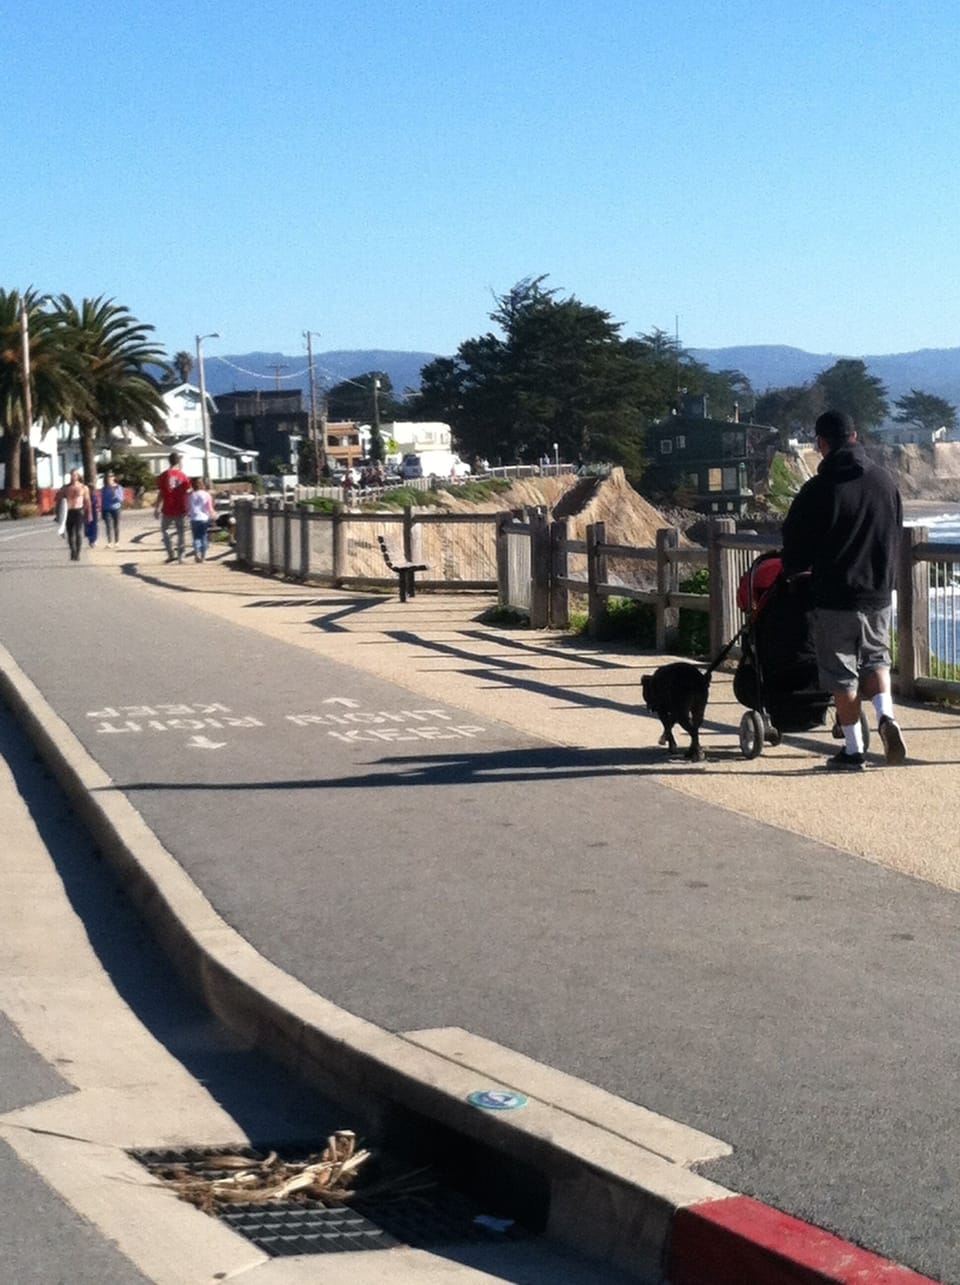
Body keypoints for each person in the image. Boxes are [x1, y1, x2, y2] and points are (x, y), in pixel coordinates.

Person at [781, 409, 906, 770]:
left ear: (822, 444)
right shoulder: (884, 482)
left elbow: (795, 543)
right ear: (855, 437)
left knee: (841, 675)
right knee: (877, 660)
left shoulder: (818, 490)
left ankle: (853, 750)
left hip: (835, 596)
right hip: (878, 593)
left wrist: (795, 573)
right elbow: (895, 532)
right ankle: (886, 716)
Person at [154, 450, 190, 563]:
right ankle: (181, 556)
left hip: (168, 508)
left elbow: (161, 493)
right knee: (181, 532)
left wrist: (157, 507)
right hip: (181, 507)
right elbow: (188, 491)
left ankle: (170, 553)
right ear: (178, 461)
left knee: (165, 530)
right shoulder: (183, 475)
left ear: (169, 461)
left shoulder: (164, 475)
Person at [61, 469, 92, 562]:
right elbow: (60, 501)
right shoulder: (65, 488)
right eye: (71, 475)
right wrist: (59, 515)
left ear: (78, 476)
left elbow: (87, 501)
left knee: (78, 533)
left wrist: (89, 514)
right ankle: (73, 551)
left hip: (79, 511)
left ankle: (78, 553)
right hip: (68, 511)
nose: (73, 477)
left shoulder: (83, 487)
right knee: (70, 534)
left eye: (74, 475)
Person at [187, 476, 215, 562]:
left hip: (194, 518)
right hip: (204, 518)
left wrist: (189, 514)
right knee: (204, 536)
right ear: (203, 484)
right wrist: (213, 515)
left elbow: (188, 507)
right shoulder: (207, 495)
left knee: (196, 537)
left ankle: (196, 553)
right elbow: (209, 508)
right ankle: (203, 557)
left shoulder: (190, 495)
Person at [100, 472, 124, 546]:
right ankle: (109, 542)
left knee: (116, 525)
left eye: (111, 476)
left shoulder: (118, 487)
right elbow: (103, 500)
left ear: (114, 478)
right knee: (108, 526)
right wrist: (102, 510)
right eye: (108, 477)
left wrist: (115, 494)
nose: (109, 478)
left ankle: (117, 542)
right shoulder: (104, 488)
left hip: (116, 508)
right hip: (107, 509)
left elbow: (121, 499)